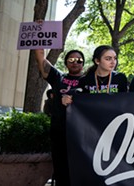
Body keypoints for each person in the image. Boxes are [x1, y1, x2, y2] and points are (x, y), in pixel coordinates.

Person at [34, 47, 85, 186]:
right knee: (61, 169)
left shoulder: (89, 80)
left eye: (79, 60)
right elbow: (41, 59)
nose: (75, 62)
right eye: (71, 60)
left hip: (81, 133)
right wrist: (40, 32)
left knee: (79, 167)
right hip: (59, 130)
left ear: (83, 63)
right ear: (66, 63)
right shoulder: (58, 77)